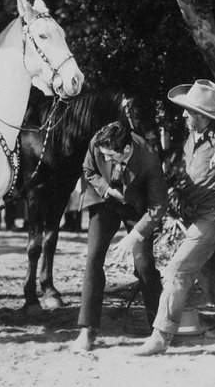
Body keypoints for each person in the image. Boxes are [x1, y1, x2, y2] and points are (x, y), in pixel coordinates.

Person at [135, 79, 215, 356]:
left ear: (203, 116)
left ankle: (161, 336)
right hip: (194, 214)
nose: (183, 115)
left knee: (178, 269)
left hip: (213, 216)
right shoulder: (192, 138)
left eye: (188, 112)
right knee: (207, 270)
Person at [72, 120, 168, 352]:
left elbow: (158, 206)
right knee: (93, 257)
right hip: (105, 201)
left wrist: (134, 235)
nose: (106, 159)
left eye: (111, 157)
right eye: (103, 155)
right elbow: (88, 170)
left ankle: (158, 327)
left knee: (144, 263)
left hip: (137, 207)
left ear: (126, 150)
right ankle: (87, 330)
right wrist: (105, 189)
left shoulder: (148, 158)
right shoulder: (99, 142)